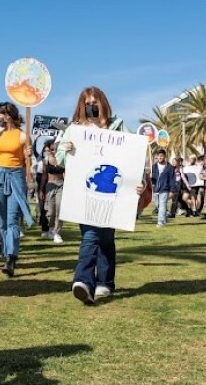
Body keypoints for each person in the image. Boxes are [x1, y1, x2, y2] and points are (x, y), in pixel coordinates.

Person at [56, 86, 138, 305]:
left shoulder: (118, 127)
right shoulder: (75, 129)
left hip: (113, 193)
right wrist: (67, 149)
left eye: (95, 102)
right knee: (91, 235)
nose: (91, 106)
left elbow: (133, 157)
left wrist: (137, 184)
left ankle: (105, 282)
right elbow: (59, 159)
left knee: (106, 238)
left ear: (103, 103)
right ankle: (83, 281)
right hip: (85, 193)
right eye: (87, 103)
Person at [0, 101, 33, 278]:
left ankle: (11, 258)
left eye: (0, 114)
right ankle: (7, 252)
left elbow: (28, 162)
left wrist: (29, 155)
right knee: (1, 219)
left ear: (8, 115)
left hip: (15, 178)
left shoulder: (23, 136)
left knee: (12, 219)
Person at [40, 138, 65, 243]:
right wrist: (41, 189)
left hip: (61, 185)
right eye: (51, 149)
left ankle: (57, 232)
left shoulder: (63, 159)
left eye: (55, 149)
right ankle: (50, 228)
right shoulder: (46, 160)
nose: (53, 151)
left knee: (60, 208)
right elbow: (44, 175)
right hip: (50, 185)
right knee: (51, 211)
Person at [151, 149, 174, 227]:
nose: (160, 157)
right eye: (158, 156)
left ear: (164, 156)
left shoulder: (169, 167)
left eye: (161, 156)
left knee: (162, 205)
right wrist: (151, 178)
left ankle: (160, 222)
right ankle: (164, 217)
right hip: (156, 189)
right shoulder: (154, 167)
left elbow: (172, 179)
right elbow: (152, 179)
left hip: (165, 189)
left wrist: (171, 190)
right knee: (158, 205)